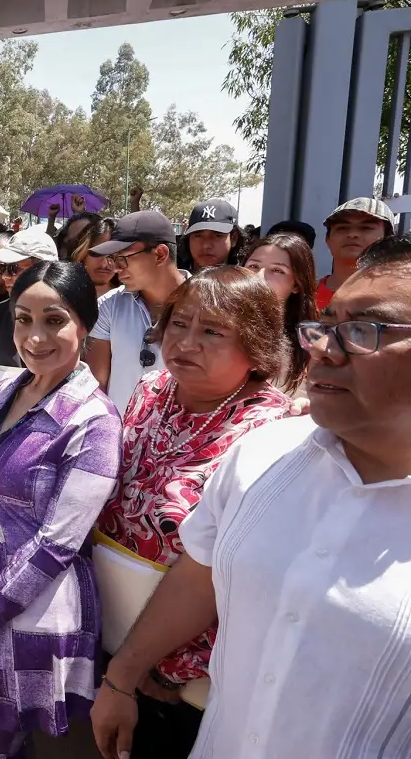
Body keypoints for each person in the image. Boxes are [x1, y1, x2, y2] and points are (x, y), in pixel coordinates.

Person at [92, 241, 411, 759]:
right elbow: (198, 577)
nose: (325, 348)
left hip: (183, 685)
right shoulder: (263, 456)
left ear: (257, 345)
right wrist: (123, 674)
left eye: (363, 330)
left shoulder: (259, 427)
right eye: (327, 326)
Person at [94, 266, 290, 758]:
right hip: (116, 637)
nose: (186, 342)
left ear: (257, 346)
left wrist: (131, 671)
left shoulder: (273, 433)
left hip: (189, 677)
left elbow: (210, 573)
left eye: (213, 331)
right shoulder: (151, 390)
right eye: (179, 323)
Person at [0, 261, 122, 759]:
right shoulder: (4, 391)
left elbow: (57, 545)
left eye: (54, 320)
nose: (35, 336)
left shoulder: (93, 422)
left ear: (84, 324)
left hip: (22, 615)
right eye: (23, 318)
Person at [87, 211, 189, 413]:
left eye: (123, 259)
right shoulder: (108, 307)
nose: (116, 268)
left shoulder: (209, 306)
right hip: (119, 439)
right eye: (113, 259)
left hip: (183, 441)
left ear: (160, 254)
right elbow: (96, 388)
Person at [0, 231, 59, 367]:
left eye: (12, 268)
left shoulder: (73, 317)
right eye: (4, 267)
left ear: (44, 269)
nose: (4, 276)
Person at [243, 232, 318, 394]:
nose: (259, 277)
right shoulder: (215, 323)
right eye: (253, 266)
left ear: (297, 285)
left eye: (277, 270)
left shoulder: (313, 342)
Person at [315, 197, 394, 311]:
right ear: (327, 239)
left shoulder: (401, 298)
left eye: (366, 228)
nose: (352, 234)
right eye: (342, 228)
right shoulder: (301, 297)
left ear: (388, 240)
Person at [178, 199, 243, 271]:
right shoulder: (175, 280)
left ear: (233, 238)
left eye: (217, 235)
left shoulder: (246, 281)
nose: (206, 245)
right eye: (198, 236)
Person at [69, 219, 120, 298]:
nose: (104, 264)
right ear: (84, 253)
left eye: (112, 255)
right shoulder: (64, 296)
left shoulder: (132, 300)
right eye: (98, 253)